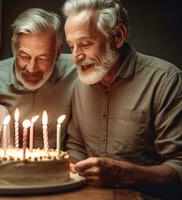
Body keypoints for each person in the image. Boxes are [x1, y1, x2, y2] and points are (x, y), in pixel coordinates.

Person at [62, 0, 182, 197]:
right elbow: (77, 145)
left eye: (85, 44)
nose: (75, 57)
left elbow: (179, 167)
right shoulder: (80, 82)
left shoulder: (166, 81)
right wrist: (71, 164)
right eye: (71, 46)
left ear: (118, 36)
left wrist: (123, 174)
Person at [0, 8, 77, 149]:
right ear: (14, 49)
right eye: (24, 57)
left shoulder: (77, 73)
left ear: (58, 52)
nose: (31, 68)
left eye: (42, 58)